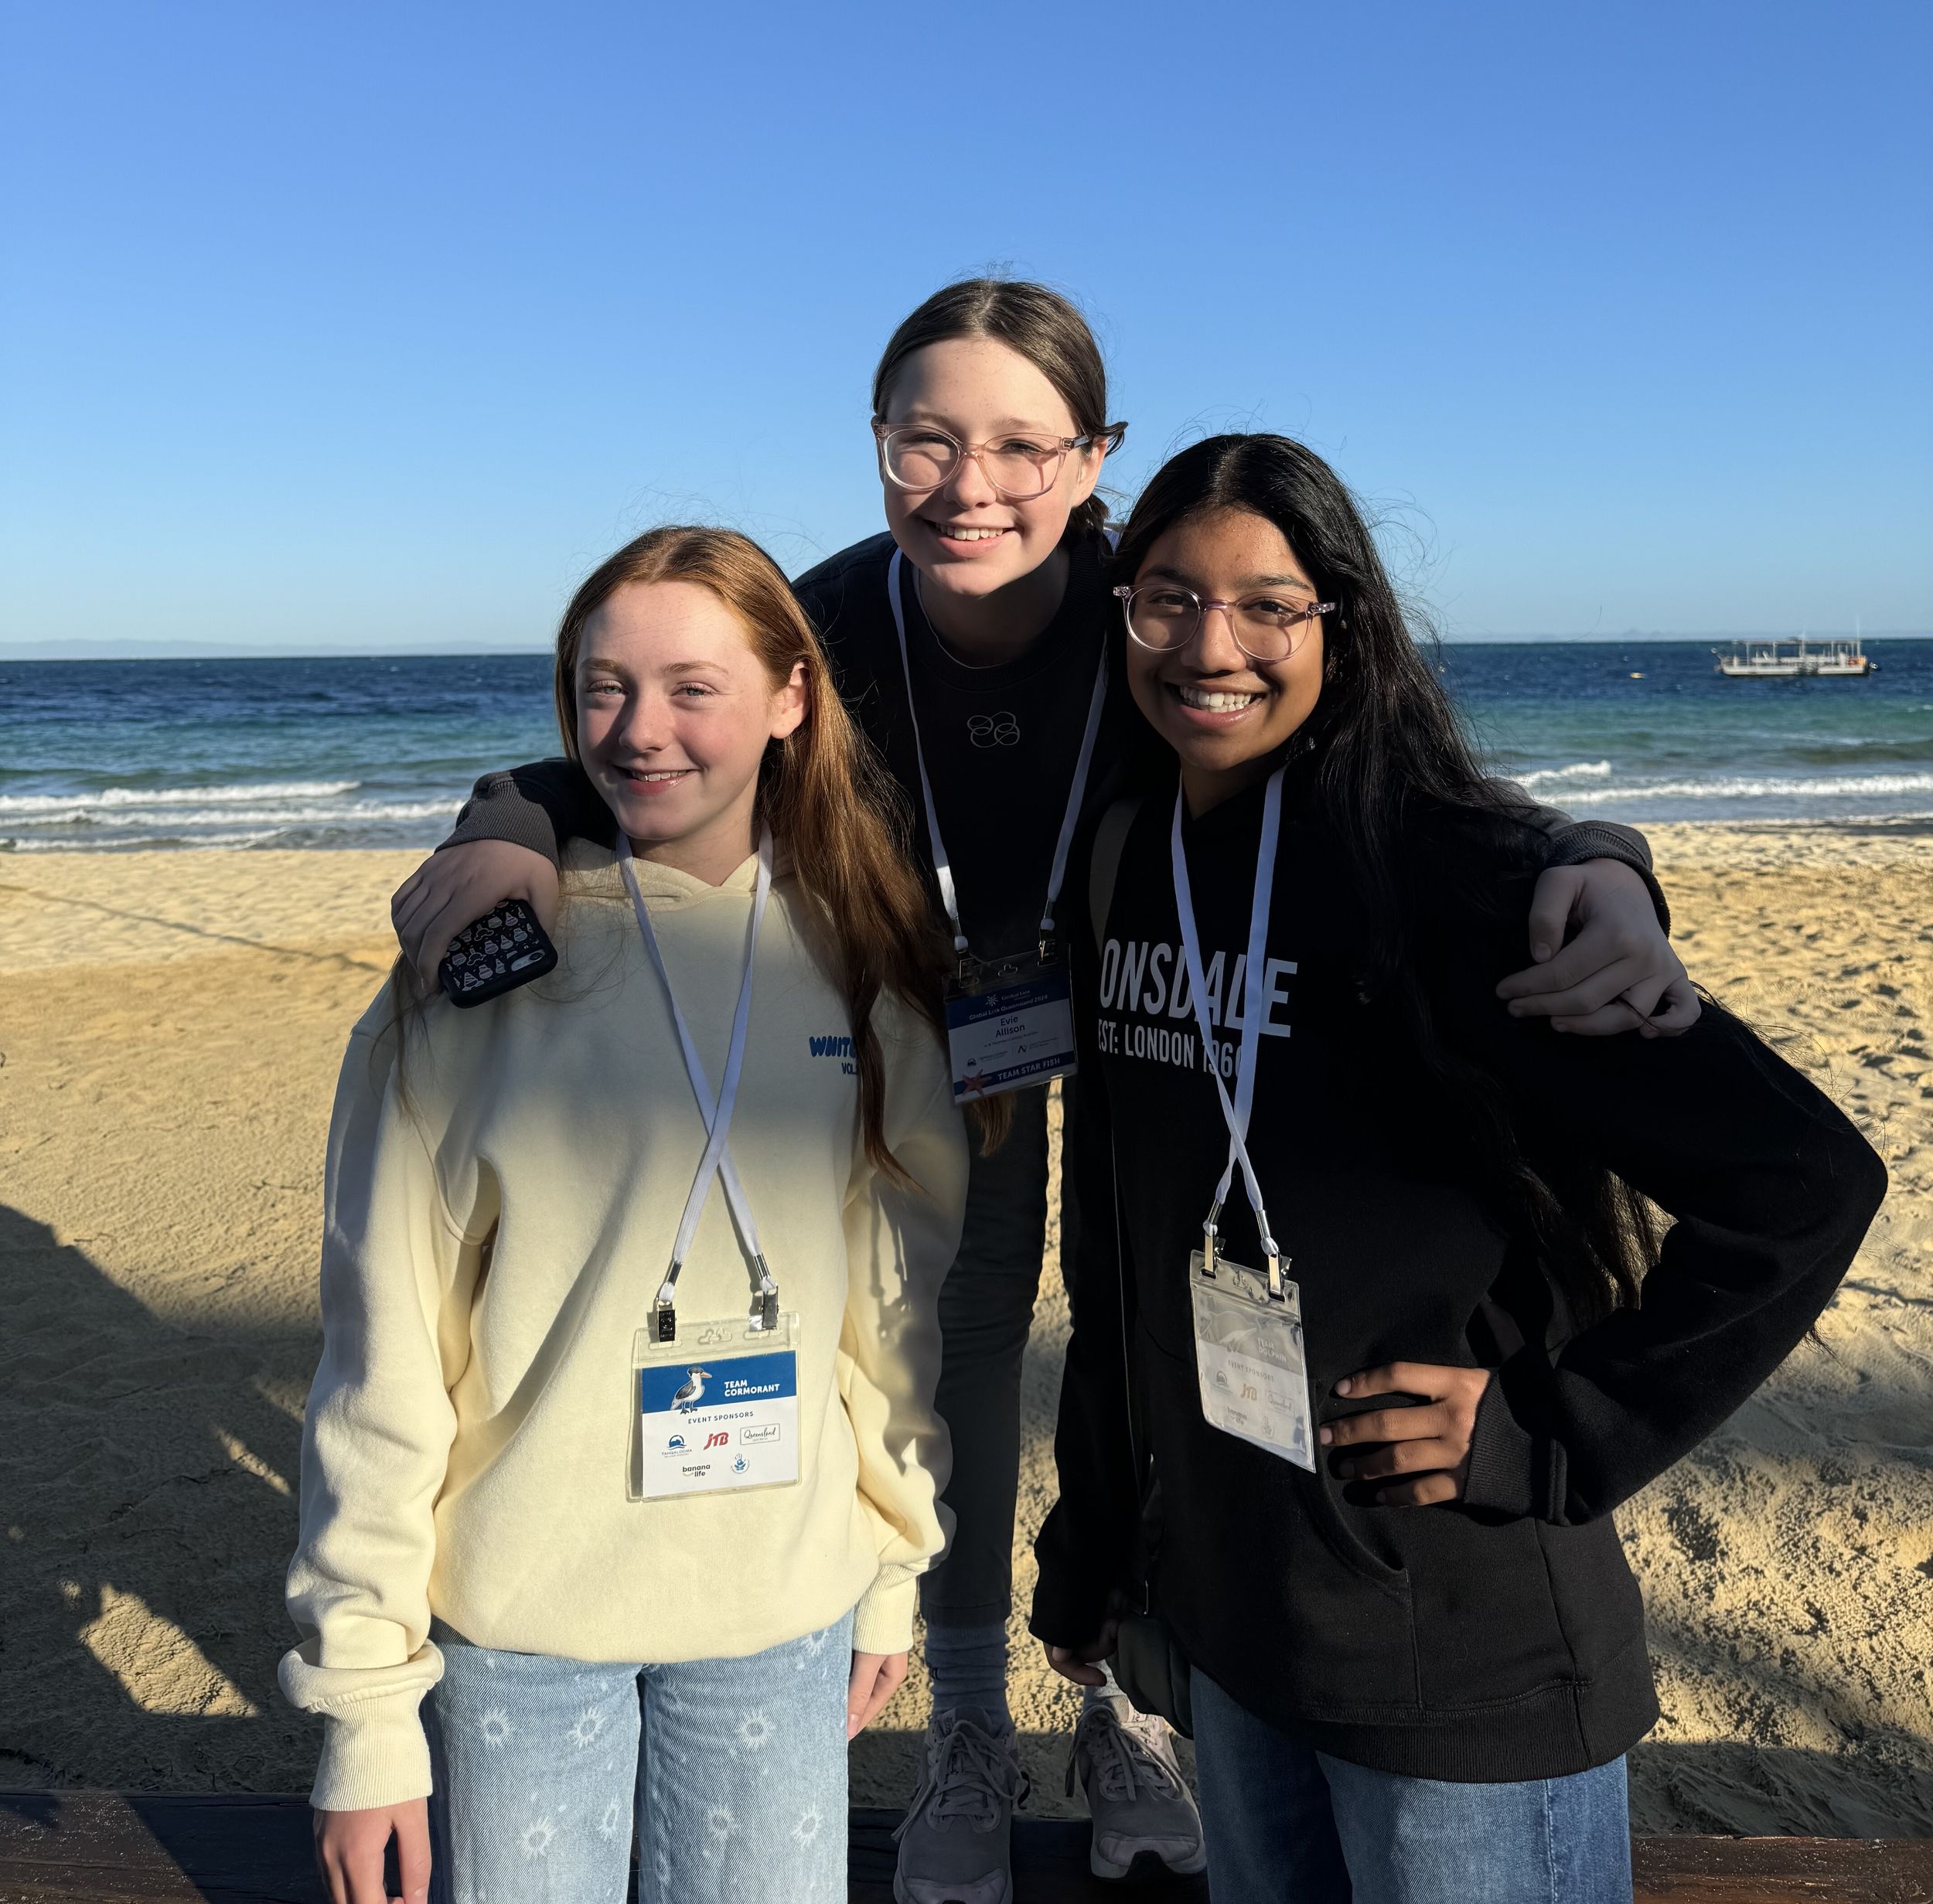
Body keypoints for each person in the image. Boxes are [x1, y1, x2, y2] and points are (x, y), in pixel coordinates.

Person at [384, 282, 1694, 1902]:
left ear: (1094, 457)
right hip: (937, 1027)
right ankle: (963, 1722)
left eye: (1020, 445)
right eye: (924, 441)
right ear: (876, 442)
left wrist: (1600, 855)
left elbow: (1385, 744)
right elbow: (656, 719)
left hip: (1150, 1011)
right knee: (955, 1344)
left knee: (1149, 1323)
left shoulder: (1160, 600)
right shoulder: (830, 621)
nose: (969, 486)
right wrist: (511, 819)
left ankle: (1126, 1697)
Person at [1032, 434, 1888, 1904]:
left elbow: (1804, 1183)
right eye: (1167, 599)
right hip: (1235, 1621)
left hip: (1460, 1652)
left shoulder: (1454, 882)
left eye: (1268, 606)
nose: (1210, 647)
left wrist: (1558, 1432)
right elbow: (1114, 1229)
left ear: (1342, 627)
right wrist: (1099, 1522)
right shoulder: (1125, 854)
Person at [281, 526, 967, 1904]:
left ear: (790, 699)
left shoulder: (860, 962)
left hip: (781, 1609)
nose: (640, 731)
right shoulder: (474, 980)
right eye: (606, 688)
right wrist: (366, 1717)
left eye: (692, 688)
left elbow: (890, 1323)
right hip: (522, 1625)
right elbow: (383, 1365)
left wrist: (895, 1565)